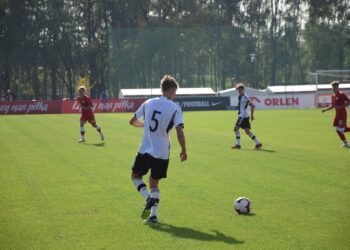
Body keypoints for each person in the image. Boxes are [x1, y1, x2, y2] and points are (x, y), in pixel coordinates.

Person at [129, 75, 187, 224]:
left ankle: (148, 198)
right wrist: (184, 150)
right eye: (175, 92)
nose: (175, 95)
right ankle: (153, 216)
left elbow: (133, 121)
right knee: (154, 182)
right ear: (172, 89)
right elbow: (179, 131)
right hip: (162, 152)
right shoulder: (175, 108)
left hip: (145, 148)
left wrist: (145, 124)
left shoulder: (148, 102)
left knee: (136, 176)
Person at [232, 83, 262, 149]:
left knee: (236, 129)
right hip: (244, 115)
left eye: (241, 89)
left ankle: (238, 145)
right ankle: (258, 143)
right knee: (247, 131)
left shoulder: (244, 97)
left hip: (243, 116)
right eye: (239, 89)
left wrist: (252, 115)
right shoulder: (240, 96)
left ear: (243, 89)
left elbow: (253, 106)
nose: (240, 90)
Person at [322, 81, 350, 148]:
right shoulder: (333, 96)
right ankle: (345, 143)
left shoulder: (341, 94)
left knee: (341, 129)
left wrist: (341, 106)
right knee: (338, 130)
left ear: (338, 87)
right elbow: (333, 106)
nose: (334, 88)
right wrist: (325, 110)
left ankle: (346, 143)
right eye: (333, 87)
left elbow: (349, 101)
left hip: (342, 114)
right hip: (337, 115)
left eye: (336, 87)